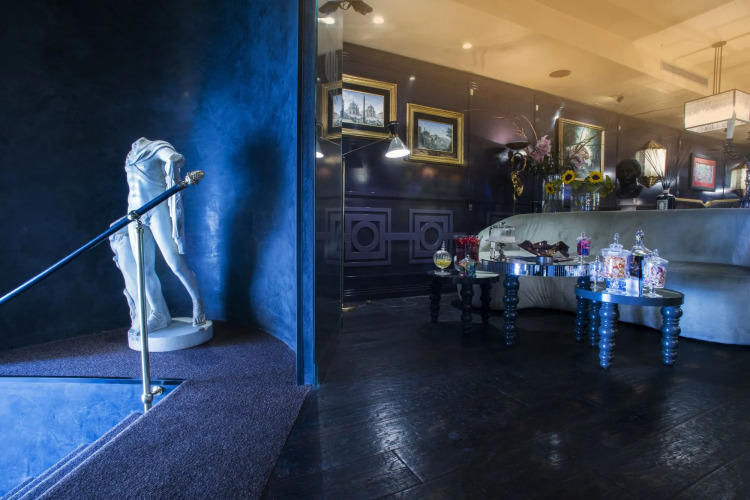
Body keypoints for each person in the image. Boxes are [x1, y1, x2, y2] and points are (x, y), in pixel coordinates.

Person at [121, 137, 206, 337]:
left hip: (156, 210)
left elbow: (174, 158)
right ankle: (158, 314)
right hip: (134, 213)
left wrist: (174, 159)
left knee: (175, 264)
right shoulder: (131, 155)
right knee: (143, 268)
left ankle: (197, 302)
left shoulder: (155, 147)